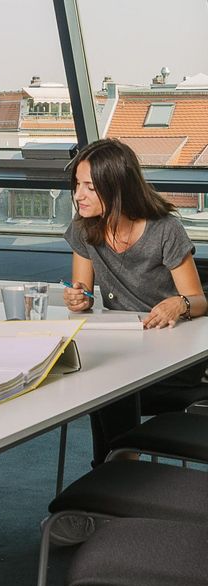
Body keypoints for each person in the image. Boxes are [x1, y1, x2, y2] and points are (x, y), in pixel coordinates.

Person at [62, 138, 207, 468]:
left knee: (109, 380)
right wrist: (77, 298)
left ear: (116, 189)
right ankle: (116, 467)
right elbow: (81, 290)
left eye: (89, 187)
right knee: (100, 374)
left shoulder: (164, 230)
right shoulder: (84, 229)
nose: (78, 195)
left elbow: (199, 301)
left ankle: (118, 467)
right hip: (125, 348)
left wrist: (178, 304)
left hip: (171, 362)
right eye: (77, 185)